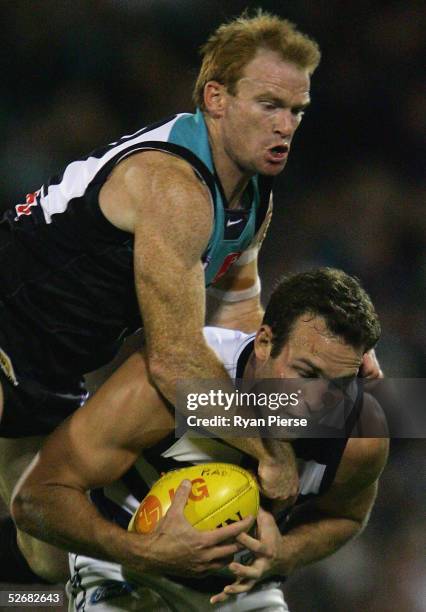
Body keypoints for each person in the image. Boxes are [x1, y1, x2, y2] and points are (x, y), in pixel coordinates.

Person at [0, 11, 325, 584]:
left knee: (49, 560)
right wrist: (270, 451)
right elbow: (175, 363)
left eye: (296, 111)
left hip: (52, 366)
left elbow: (234, 322)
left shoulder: (252, 196)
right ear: (216, 97)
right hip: (7, 330)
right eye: (269, 105)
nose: (286, 127)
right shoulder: (175, 188)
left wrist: (289, 400)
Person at [13, 268, 389, 611]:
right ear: (263, 342)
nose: (314, 402)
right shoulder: (167, 387)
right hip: (124, 566)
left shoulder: (358, 436)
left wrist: (285, 553)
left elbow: (346, 515)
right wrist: (144, 551)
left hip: (240, 588)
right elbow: (36, 497)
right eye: (306, 373)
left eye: (338, 386)